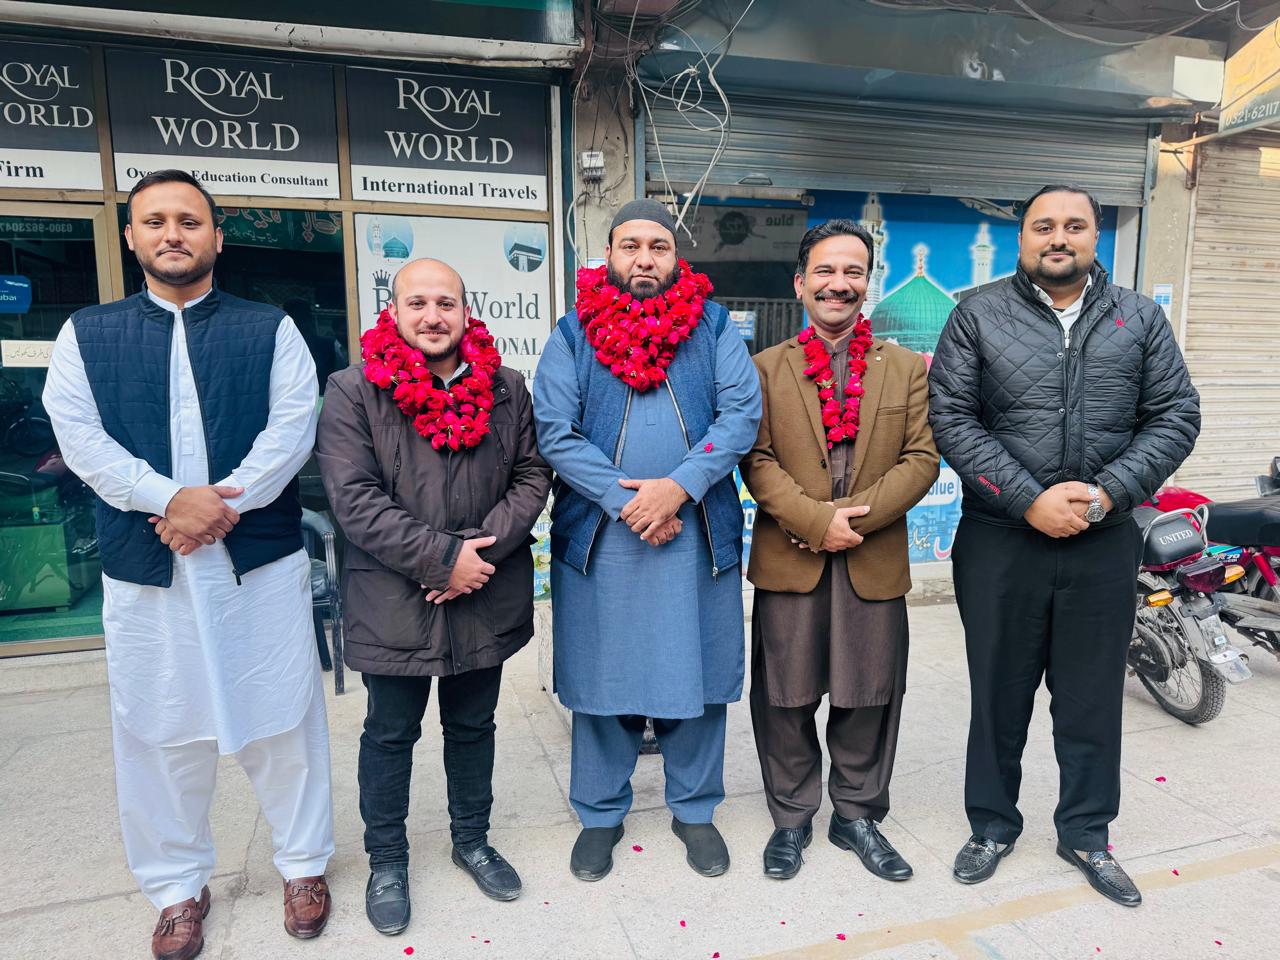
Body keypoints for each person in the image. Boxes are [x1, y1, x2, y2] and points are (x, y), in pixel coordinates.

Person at [42, 169, 333, 960]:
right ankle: (176, 886)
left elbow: (291, 431)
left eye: (189, 220)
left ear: (217, 236)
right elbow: (80, 438)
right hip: (148, 562)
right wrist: (169, 500)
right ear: (130, 236)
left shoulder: (269, 328)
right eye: (156, 221)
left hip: (254, 559)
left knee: (282, 717)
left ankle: (303, 865)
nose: (173, 233)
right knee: (158, 726)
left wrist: (216, 508)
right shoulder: (87, 333)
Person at [929, 184, 1201, 906]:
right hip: (1000, 539)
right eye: (1043, 225)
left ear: (1094, 238)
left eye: (1074, 226)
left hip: (1101, 540)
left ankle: (1086, 832)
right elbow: (952, 419)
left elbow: (1175, 415)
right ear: (1021, 238)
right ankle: (992, 825)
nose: (1059, 237)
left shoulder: (1138, 318)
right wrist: (1028, 499)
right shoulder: (976, 314)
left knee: (1090, 698)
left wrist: (1106, 494)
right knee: (999, 691)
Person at [316, 258, 550, 934]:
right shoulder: (354, 390)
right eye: (416, 302)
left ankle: (471, 840)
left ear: (466, 311)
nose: (432, 315)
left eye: (445, 302)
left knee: (474, 726)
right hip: (394, 597)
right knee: (390, 734)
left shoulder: (505, 387)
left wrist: (475, 557)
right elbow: (353, 499)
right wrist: (441, 560)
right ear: (393, 312)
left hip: (484, 591)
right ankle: (388, 861)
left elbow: (531, 475)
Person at [533, 199, 761, 881]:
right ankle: (601, 813)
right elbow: (555, 431)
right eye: (630, 245)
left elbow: (741, 414)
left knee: (697, 673)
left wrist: (678, 488)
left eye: (657, 246)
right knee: (603, 676)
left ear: (675, 258)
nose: (644, 258)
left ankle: (695, 809)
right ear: (609, 254)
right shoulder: (573, 332)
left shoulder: (712, 326)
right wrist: (630, 501)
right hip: (603, 538)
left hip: (695, 530)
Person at [741, 219, 938, 882]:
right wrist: (813, 520)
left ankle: (856, 815)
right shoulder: (764, 369)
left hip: (871, 559)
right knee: (785, 695)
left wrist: (853, 522)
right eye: (825, 271)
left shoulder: (905, 369)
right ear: (800, 283)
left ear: (868, 283)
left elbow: (922, 458)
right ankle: (791, 817)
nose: (839, 284)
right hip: (790, 558)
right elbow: (756, 459)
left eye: (853, 271)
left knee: (869, 692)